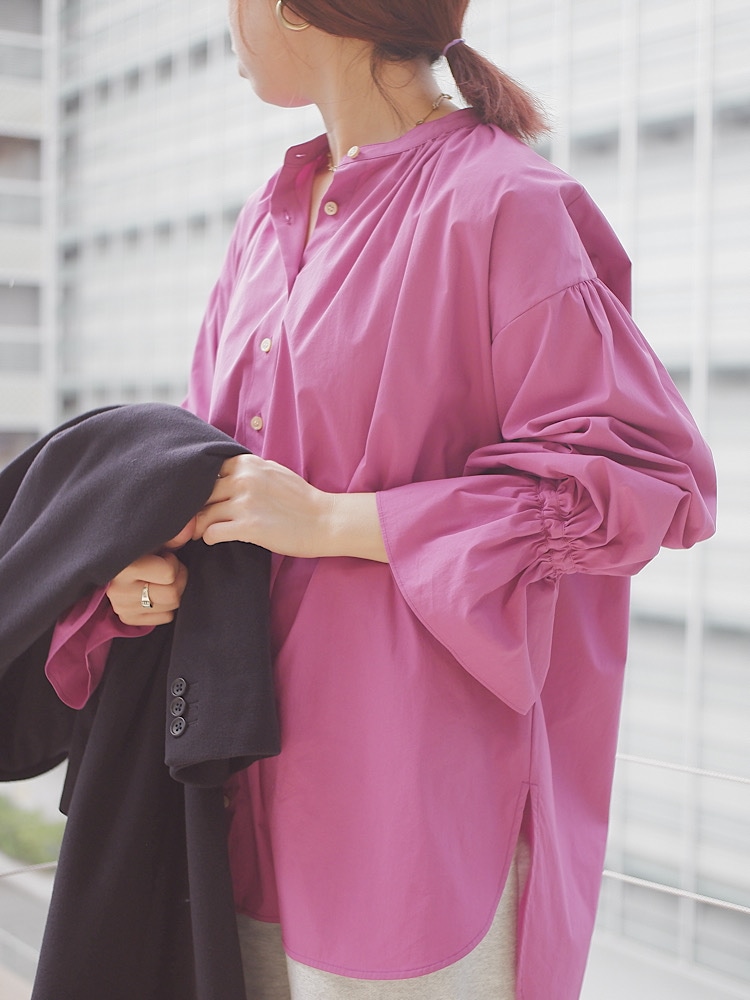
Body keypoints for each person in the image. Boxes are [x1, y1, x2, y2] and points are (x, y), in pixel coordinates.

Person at [46, 1, 717, 998]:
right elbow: (211, 460)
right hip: (237, 795)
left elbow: (646, 481)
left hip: (412, 828)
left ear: (294, 10)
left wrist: (335, 522)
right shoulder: (269, 217)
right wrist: (152, 563)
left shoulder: (506, 205)